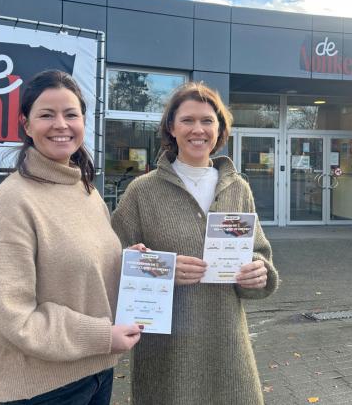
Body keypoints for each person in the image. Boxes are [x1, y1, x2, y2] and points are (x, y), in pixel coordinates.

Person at [0, 70, 142, 405]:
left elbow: (78, 265)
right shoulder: (12, 203)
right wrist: (102, 336)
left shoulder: (86, 190)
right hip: (44, 388)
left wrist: (127, 263)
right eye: (47, 115)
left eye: (71, 114)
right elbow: (6, 317)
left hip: (97, 372)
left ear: (83, 122)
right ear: (26, 125)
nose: (61, 125)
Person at [111, 82, 279, 405]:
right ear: (171, 128)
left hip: (227, 348)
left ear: (219, 129)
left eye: (207, 120)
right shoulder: (142, 191)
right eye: (187, 120)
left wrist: (260, 273)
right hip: (167, 355)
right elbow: (111, 262)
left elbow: (259, 253)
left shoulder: (238, 188)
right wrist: (162, 270)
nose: (198, 129)